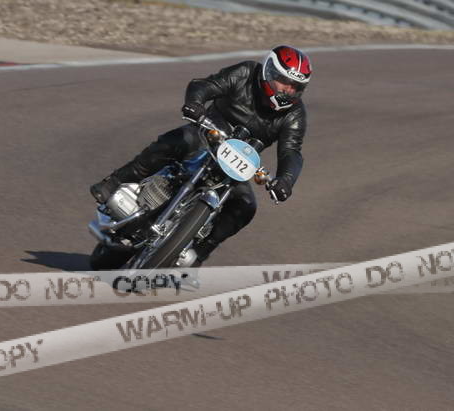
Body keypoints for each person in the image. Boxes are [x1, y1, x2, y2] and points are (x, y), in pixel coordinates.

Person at [89, 45, 311, 265]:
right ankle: (115, 180)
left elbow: (291, 151)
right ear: (269, 73)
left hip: (234, 168)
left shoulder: (295, 115)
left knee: (245, 206)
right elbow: (206, 85)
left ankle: (198, 255)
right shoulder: (246, 73)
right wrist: (195, 103)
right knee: (177, 141)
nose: (288, 90)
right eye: (285, 81)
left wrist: (286, 180)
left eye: (295, 86)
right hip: (205, 136)